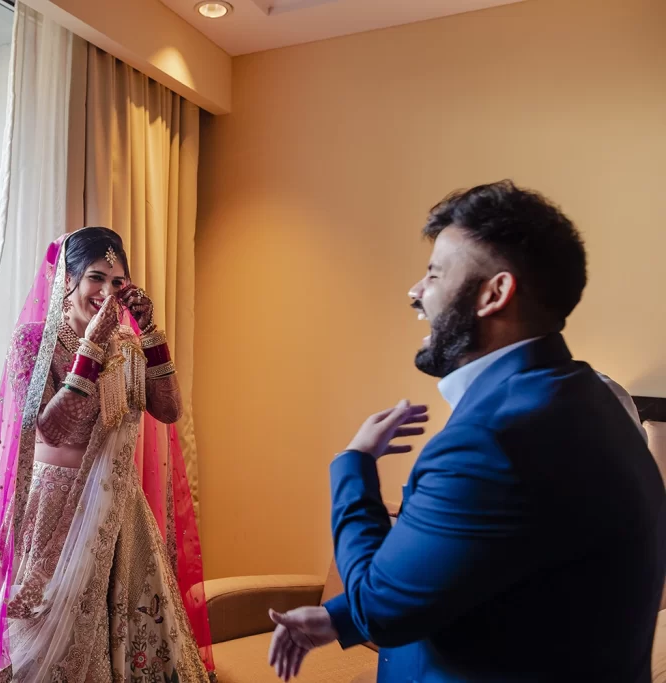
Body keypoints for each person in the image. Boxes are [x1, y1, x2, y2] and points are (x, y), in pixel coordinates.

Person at [268, 181, 664, 682]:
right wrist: (334, 616)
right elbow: (495, 568)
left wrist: (354, 465)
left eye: (434, 273)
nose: (415, 291)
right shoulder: (596, 400)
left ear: (494, 293)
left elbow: (382, 610)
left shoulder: (493, 441)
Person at [0, 228, 214, 682]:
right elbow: (49, 426)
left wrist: (149, 333)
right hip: (54, 510)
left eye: (118, 282)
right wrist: (91, 346)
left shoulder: (127, 346)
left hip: (118, 508)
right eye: (95, 278)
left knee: (123, 626)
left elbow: (169, 410)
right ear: (67, 281)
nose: (107, 292)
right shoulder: (34, 341)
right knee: (47, 633)